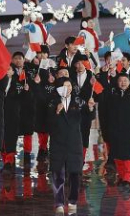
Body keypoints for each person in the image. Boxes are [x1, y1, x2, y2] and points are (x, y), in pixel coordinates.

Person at [48, 78, 95, 215]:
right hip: (58, 143)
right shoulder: (52, 102)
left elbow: (87, 118)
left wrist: (91, 108)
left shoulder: (78, 102)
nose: (67, 88)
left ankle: (73, 201)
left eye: (69, 86)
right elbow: (48, 123)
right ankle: (59, 203)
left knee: (75, 174)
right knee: (58, 175)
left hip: (74, 143)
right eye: (64, 85)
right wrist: (56, 112)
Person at [99, 71, 130, 188]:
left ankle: (127, 178)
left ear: (129, 82)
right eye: (120, 81)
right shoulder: (113, 97)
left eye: (125, 81)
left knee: (129, 156)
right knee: (119, 156)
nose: (123, 83)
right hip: (115, 131)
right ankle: (122, 177)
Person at [1, 52, 27, 174]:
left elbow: (21, 96)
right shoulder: (0, 81)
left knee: (11, 137)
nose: (8, 71)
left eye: (10, 69)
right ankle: (5, 160)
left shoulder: (18, 80)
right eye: (7, 69)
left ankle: (9, 162)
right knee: (2, 137)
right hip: (0, 113)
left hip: (13, 113)